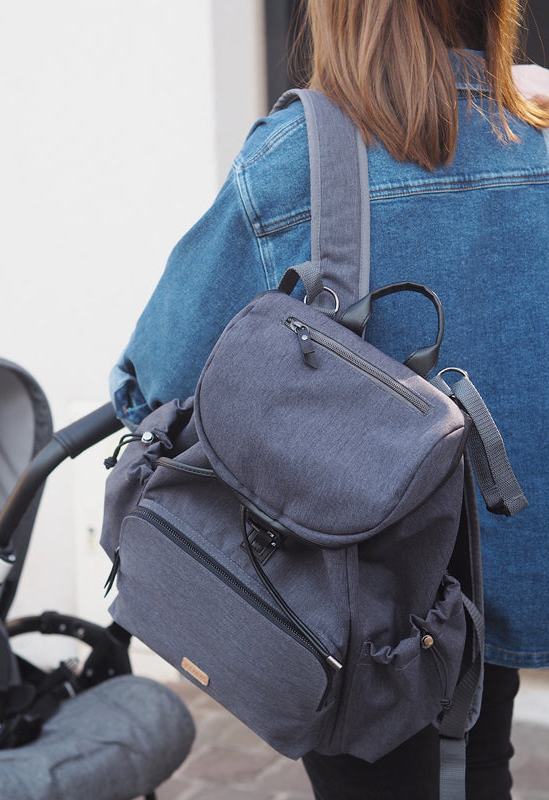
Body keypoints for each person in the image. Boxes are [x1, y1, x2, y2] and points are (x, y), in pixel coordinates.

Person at [110, 1, 549, 797]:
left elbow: (154, 382)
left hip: (360, 610)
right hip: (512, 584)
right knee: (478, 759)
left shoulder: (297, 164)